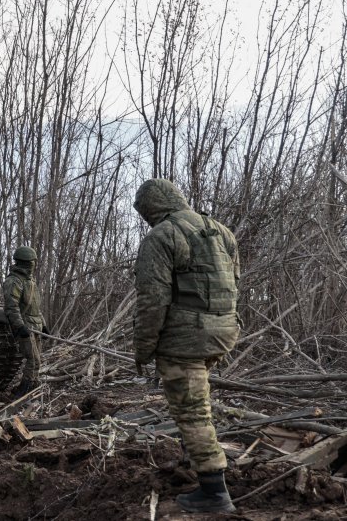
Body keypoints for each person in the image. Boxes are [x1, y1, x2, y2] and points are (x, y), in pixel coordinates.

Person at [132, 179, 241, 514]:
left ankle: (214, 492)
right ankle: (192, 458)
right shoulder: (220, 230)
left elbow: (153, 300)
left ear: (151, 208)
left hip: (185, 339)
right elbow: (233, 282)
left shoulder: (162, 236)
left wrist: (143, 348)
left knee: (192, 411)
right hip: (221, 333)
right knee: (193, 402)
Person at [1, 245, 46, 397]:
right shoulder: (14, 281)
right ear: (27, 262)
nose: (34, 265)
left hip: (36, 326)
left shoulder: (30, 281)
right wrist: (20, 326)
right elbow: (11, 307)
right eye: (33, 262)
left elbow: (36, 307)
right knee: (33, 360)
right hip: (25, 326)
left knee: (37, 361)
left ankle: (32, 386)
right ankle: (23, 392)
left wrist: (44, 325)